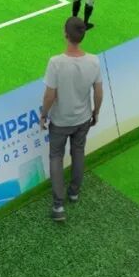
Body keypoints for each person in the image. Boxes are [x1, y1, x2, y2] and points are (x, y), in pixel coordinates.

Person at [39, 17, 104, 222]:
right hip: (82, 119)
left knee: (56, 157)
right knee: (78, 152)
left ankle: (58, 205)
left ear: (65, 34)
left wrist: (43, 115)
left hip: (60, 121)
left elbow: (49, 96)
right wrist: (96, 112)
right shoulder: (94, 61)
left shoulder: (56, 63)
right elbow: (98, 92)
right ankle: (74, 192)